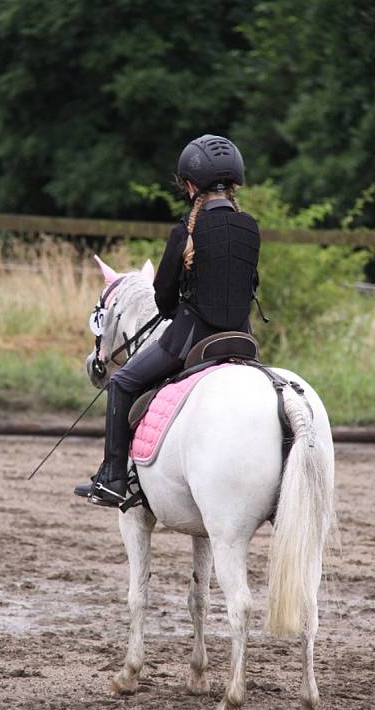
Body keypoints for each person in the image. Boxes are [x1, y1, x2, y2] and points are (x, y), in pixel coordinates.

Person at [75, 134, 261, 507]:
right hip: (242, 340)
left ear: (190, 186)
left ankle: (112, 480)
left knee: (122, 384)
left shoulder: (183, 233)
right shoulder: (251, 227)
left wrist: (182, 306)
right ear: (234, 184)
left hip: (190, 340)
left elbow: (162, 299)